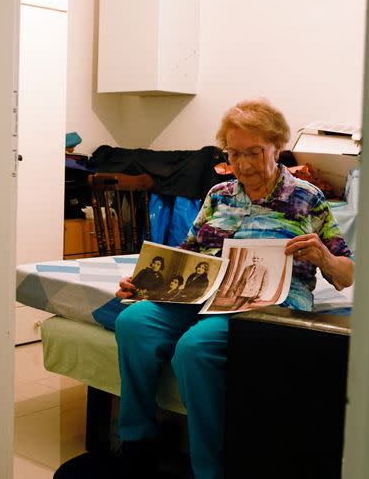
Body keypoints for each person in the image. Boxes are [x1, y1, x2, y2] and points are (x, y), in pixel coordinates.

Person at [113, 99, 354, 479]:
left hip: (272, 300)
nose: (242, 165)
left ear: (277, 147)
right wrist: (146, 282)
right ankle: (138, 439)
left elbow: (346, 274)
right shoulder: (219, 194)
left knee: (195, 347)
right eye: (234, 154)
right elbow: (189, 252)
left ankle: (210, 469)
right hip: (210, 289)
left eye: (254, 153)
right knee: (134, 321)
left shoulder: (308, 198)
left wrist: (323, 257)